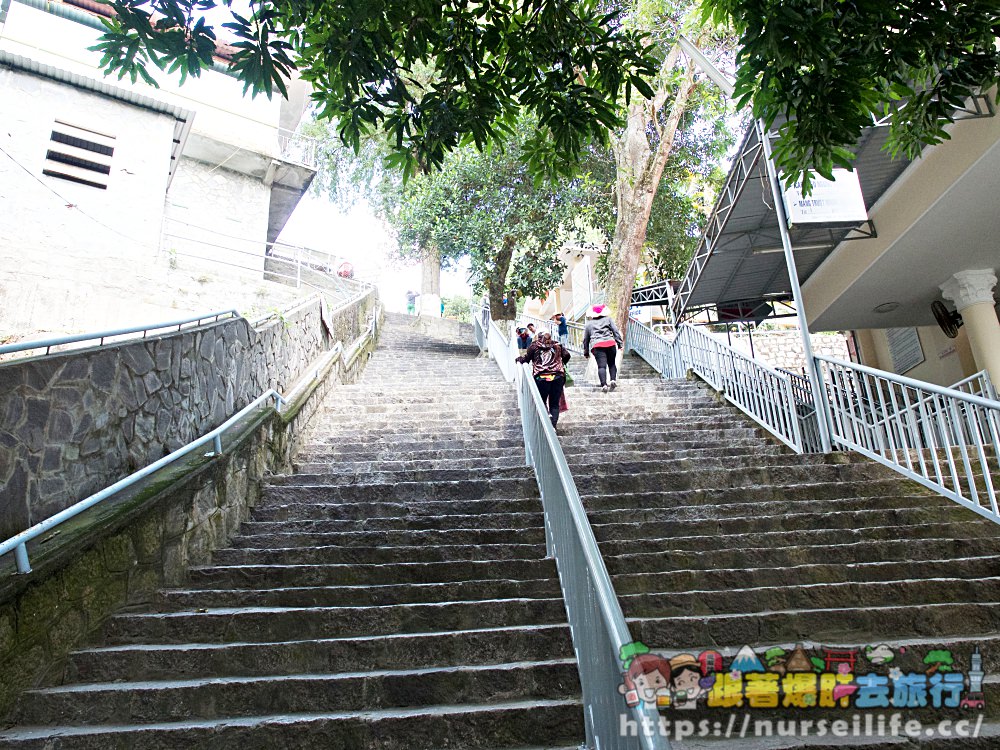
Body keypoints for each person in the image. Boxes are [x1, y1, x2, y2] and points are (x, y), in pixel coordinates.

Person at [518, 332, 571, 428]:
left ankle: (546, 422)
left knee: (541, 402)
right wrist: (561, 363)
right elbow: (567, 355)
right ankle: (553, 426)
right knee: (554, 404)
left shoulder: (534, 346)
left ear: (538, 337)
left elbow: (526, 359)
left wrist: (519, 359)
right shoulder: (557, 345)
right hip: (558, 377)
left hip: (541, 377)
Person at [582, 304, 623, 393]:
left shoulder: (589, 324)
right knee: (612, 363)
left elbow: (586, 339)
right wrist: (620, 344)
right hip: (610, 343)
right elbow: (615, 331)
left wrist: (586, 352)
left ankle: (604, 385)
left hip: (597, 346)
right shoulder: (608, 319)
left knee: (601, 366)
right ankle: (613, 380)